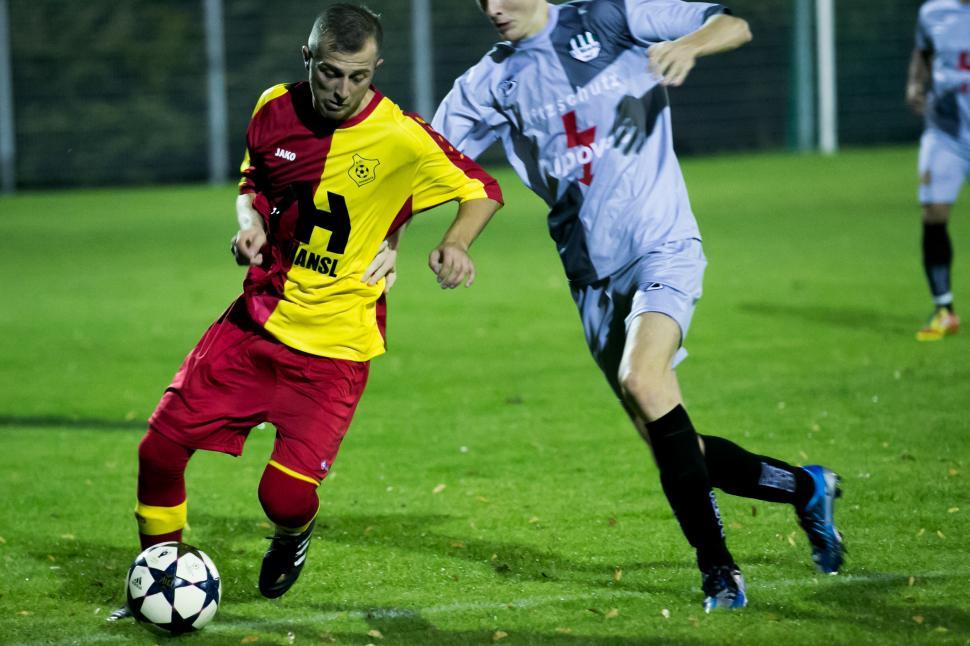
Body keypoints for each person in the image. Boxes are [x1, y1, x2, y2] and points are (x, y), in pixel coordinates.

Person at [430, 0, 842, 611]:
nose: (493, 7)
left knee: (644, 379)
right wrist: (413, 242)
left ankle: (720, 573)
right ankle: (805, 487)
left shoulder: (611, 17)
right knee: (672, 445)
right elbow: (418, 161)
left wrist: (692, 45)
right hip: (590, 277)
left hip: (661, 245)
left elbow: (735, 22)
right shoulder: (490, 80)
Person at [109, 3, 502, 620]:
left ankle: (293, 534)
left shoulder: (400, 135)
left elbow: (482, 189)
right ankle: (154, 581)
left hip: (336, 348)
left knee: (284, 496)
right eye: (330, 73)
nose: (342, 90)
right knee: (159, 449)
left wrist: (454, 243)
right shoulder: (273, 109)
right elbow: (254, 185)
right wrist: (249, 228)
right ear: (307, 59)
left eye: (359, 77)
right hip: (255, 323)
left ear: (376, 69)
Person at [906, 0, 968, 341]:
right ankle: (943, 308)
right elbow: (923, 53)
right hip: (946, 133)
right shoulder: (933, 11)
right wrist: (915, 85)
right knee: (933, 213)